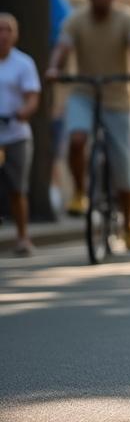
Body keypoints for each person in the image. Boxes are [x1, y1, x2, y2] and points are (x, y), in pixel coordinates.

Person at [46, 0, 130, 250]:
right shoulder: (76, 20)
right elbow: (62, 48)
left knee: (124, 165)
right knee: (77, 139)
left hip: (119, 98)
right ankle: (80, 191)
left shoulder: (126, 19)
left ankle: (129, 222)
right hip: (84, 93)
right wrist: (54, 68)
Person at [0, 14, 41, 256]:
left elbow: (32, 97)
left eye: (8, 30)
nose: (3, 35)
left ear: (15, 35)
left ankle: (23, 237)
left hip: (16, 134)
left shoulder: (23, 63)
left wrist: (24, 112)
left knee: (17, 188)